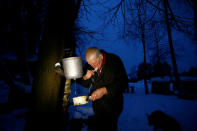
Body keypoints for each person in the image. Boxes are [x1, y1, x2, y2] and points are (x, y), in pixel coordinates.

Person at [79, 47, 128, 131]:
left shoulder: (114, 61)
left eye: (94, 63)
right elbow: (86, 85)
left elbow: (123, 83)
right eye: (89, 63)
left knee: (110, 127)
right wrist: (85, 78)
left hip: (113, 105)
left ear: (101, 57)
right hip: (98, 107)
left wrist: (105, 90)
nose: (92, 66)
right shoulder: (89, 65)